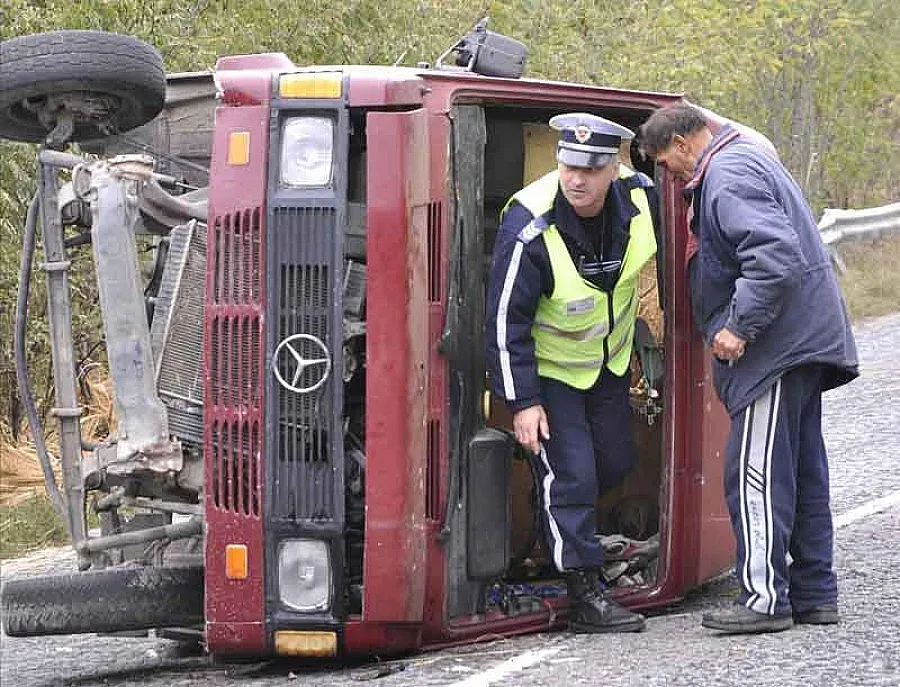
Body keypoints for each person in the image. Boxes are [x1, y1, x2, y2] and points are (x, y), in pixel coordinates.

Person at [638, 103, 859, 634]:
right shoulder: (745, 158)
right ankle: (814, 594)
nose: (668, 174)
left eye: (665, 162)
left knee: (753, 472)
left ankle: (763, 599)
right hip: (802, 342)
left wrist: (738, 326)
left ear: (684, 143)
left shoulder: (727, 175)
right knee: (802, 471)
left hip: (773, 350)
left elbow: (772, 256)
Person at [484, 113, 658, 633]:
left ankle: (556, 519)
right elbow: (502, 321)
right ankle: (584, 595)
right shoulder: (530, 222)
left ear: (615, 168)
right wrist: (523, 401)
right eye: (568, 165)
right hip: (549, 375)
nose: (577, 178)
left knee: (615, 461)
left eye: (591, 168)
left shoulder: (642, 198)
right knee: (573, 475)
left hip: (608, 365)